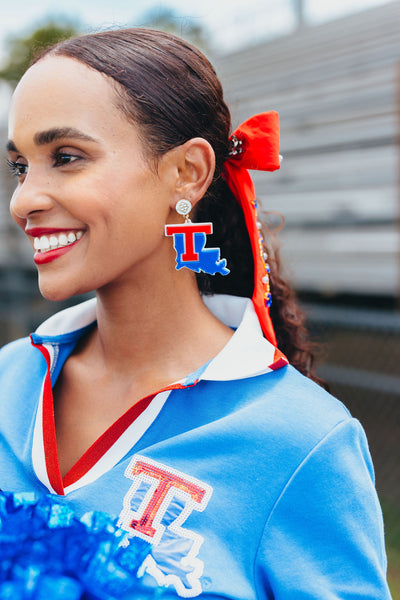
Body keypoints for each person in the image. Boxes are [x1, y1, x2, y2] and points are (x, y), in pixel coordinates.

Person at [0, 28, 392, 599]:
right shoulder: (7, 379)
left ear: (187, 172)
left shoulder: (303, 441)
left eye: (66, 157)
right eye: (20, 166)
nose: (24, 199)